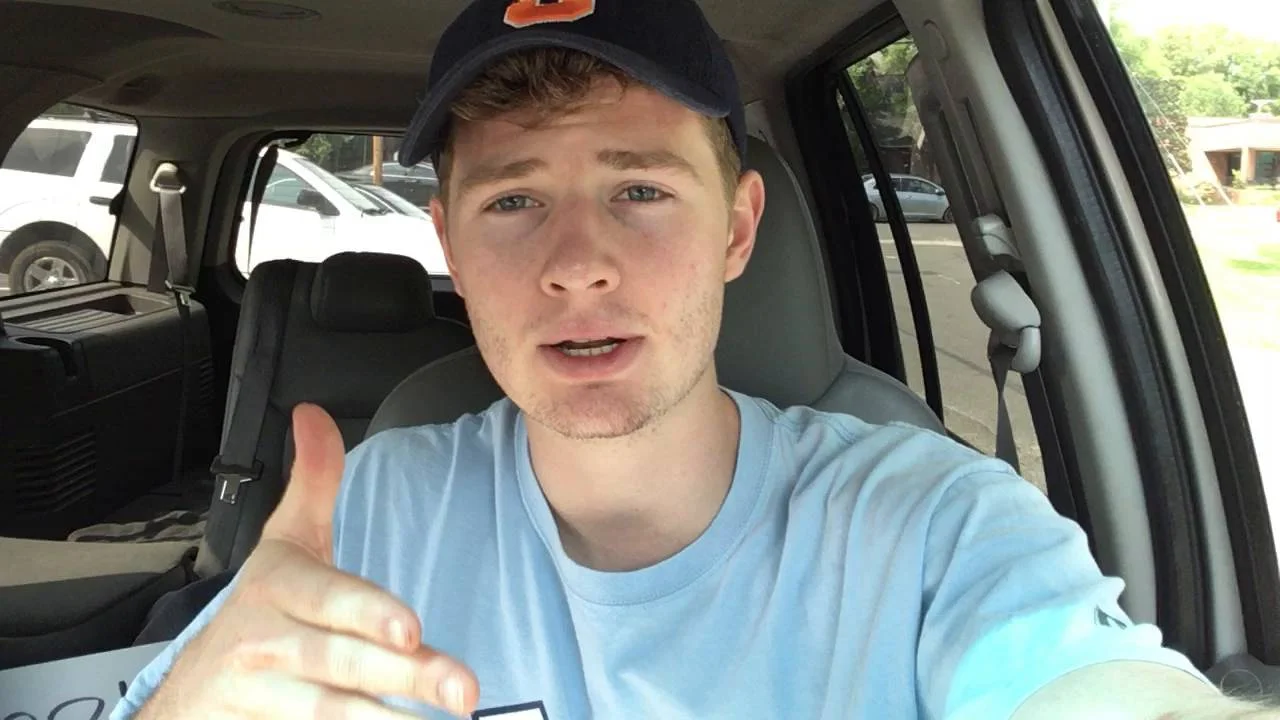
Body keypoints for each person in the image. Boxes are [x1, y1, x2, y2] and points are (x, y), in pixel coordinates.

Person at [112, 0, 1267, 718]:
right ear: (450, 245)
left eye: (639, 191)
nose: (576, 266)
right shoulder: (372, 516)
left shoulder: (932, 524)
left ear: (736, 230)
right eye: (512, 200)